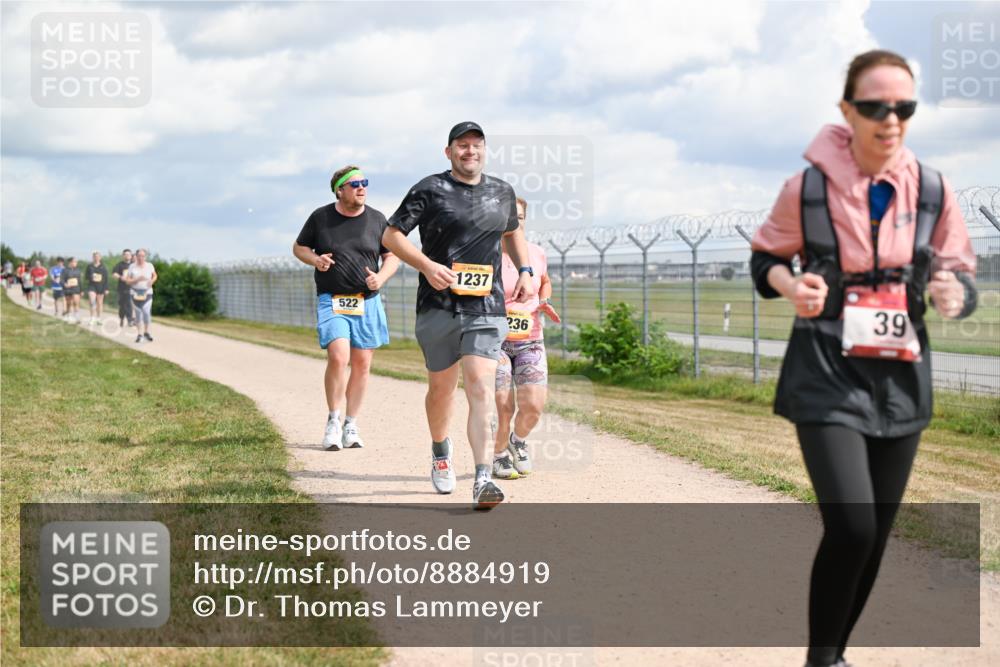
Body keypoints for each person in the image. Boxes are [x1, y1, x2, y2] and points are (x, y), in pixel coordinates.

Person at [750, 50, 977, 667]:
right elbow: (763, 262)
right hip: (826, 369)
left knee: (875, 535)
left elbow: (960, 273)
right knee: (852, 525)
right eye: (876, 106)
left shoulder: (932, 189)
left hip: (902, 375)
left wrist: (955, 293)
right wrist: (792, 286)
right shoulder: (808, 188)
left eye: (904, 106)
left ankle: (834, 654)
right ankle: (822, 660)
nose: (891, 118)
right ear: (847, 110)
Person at [382, 122, 536, 509]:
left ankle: (483, 478)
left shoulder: (502, 191)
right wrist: (426, 266)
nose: (471, 152)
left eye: (477, 145)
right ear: (448, 152)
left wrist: (526, 270)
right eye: (462, 146)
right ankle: (440, 450)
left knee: (481, 386)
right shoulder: (429, 189)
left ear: (485, 150)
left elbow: (512, 231)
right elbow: (391, 236)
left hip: (487, 305)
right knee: (442, 389)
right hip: (438, 305)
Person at [293, 165, 399, 451]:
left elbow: (392, 257)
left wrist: (382, 277)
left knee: (363, 364)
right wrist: (315, 260)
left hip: (368, 301)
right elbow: (299, 247)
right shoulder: (321, 218)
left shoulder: (377, 219)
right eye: (354, 184)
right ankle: (333, 419)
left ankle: (351, 424)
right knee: (339, 357)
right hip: (333, 299)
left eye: (364, 182)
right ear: (339, 189)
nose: (361, 187)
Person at [492, 197, 561, 480]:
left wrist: (543, 300)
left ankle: (517, 441)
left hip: (530, 338)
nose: (513, 221)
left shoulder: (536, 253)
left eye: (518, 217)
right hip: (493, 340)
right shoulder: (485, 254)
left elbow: (544, 281)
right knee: (502, 404)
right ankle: (497, 456)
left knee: (533, 405)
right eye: (507, 216)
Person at [124, 249, 157, 342]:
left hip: (147, 292)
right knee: (138, 314)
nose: (141, 258)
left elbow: (155, 275)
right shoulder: (132, 267)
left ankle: (147, 332)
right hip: (135, 293)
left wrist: (152, 281)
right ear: (136, 256)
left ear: (145, 257)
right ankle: (140, 334)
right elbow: (127, 281)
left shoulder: (150, 266)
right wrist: (137, 280)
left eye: (143, 256)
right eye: (139, 256)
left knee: (146, 312)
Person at [85, 251, 110, 325]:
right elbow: (86, 277)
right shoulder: (90, 266)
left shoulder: (103, 267)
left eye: (98, 256)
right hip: (92, 286)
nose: (96, 258)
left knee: (99, 303)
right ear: (93, 258)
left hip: (101, 286)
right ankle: (92, 318)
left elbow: (106, 279)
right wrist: (91, 277)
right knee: (92, 301)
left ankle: (99, 318)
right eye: (95, 256)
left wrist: (106, 288)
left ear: (100, 258)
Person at [112, 249, 135, 328]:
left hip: (131, 287)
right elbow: (114, 274)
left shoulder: (134, 265)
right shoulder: (120, 265)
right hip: (121, 288)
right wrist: (121, 277)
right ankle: (121, 318)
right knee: (122, 305)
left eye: (129, 254)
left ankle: (130, 320)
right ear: (123, 255)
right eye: (126, 254)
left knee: (129, 303)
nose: (127, 256)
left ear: (131, 255)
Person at [61, 258, 83, 322]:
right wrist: (65, 284)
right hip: (68, 289)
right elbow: (61, 280)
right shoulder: (64, 270)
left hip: (76, 289)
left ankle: (77, 317)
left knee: (76, 302)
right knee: (69, 303)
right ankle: (68, 315)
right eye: (74, 262)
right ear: (70, 262)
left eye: (76, 262)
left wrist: (81, 290)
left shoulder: (78, 271)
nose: (76, 263)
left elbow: (80, 281)